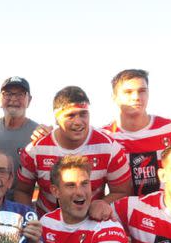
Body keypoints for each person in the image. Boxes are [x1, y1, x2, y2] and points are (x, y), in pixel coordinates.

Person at [14, 86, 132, 217]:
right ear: (56, 119)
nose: (78, 122)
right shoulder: (35, 150)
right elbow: (22, 191)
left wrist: (102, 203)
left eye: (83, 114)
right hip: (46, 229)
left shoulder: (109, 148)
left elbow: (123, 191)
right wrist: (30, 220)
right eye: (70, 116)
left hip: (92, 225)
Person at [103, 69, 171, 196]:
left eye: (142, 91)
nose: (136, 97)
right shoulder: (104, 138)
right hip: (125, 213)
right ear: (115, 98)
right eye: (128, 92)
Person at [0, 77, 38, 178]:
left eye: (20, 94)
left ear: (29, 100)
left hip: (22, 194)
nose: (14, 99)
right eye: (8, 94)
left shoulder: (38, 134)